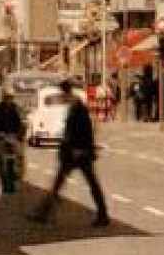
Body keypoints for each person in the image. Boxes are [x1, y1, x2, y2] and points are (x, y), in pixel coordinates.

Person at [31, 80, 109, 227]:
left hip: (78, 153)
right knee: (63, 184)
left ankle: (103, 214)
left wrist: (81, 149)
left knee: (87, 184)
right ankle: (43, 212)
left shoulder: (78, 107)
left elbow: (85, 131)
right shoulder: (75, 106)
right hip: (74, 152)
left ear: (66, 92)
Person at [0, 90, 26, 195]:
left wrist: (19, 135)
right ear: (3, 97)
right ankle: (2, 180)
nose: (8, 99)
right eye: (6, 97)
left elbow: (23, 123)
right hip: (1, 138)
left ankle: (17, 179)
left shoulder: (18, 109)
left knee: (19, 158)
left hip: (14, 137)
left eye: (10, 97)